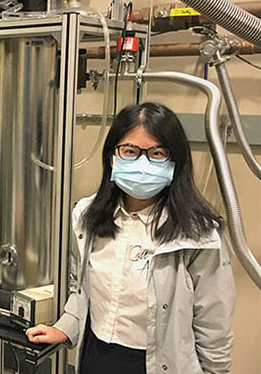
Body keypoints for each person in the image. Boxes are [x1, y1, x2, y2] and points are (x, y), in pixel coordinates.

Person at [26, 102, 234, 373]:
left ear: (175, 161)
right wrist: (66, 327)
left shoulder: (199, 233)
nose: (142, 162)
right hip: (96, 356)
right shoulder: (87, 216)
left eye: (157, 153)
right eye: (130, 151)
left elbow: (213, 322)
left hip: (157, 364)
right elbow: (80, 285)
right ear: (113, 156)